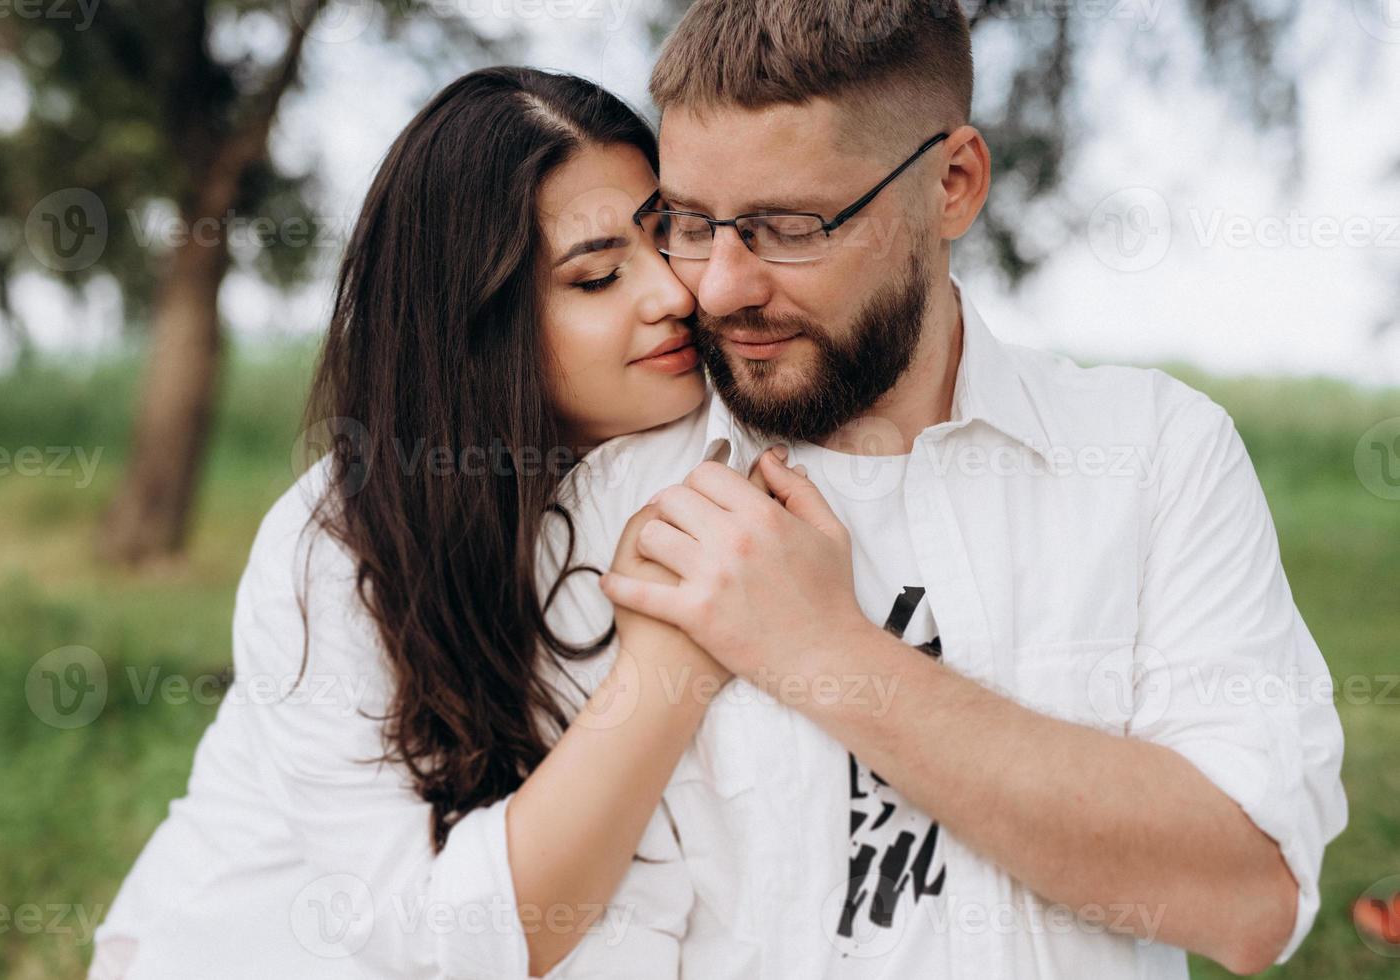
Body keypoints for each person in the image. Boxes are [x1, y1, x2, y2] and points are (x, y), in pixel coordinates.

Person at [540, 0, 1347, 976]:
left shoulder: (1156, 454)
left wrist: (824, 649)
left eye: (786, 227)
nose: (716, 288)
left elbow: (1248, 897)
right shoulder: (612, 507)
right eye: (690, 223)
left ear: (952, 184)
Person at [89, 66, 752, 979]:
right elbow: (431, 937)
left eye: (667, 236)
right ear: (475, 322)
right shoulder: (338, 545)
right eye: (597, 277)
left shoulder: (711, 429)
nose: (673, 293)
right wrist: (665, 671)